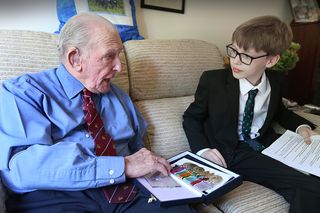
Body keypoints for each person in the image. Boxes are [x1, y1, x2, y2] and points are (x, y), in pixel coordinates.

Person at [0, 13, 197, 213]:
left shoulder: (118, 96)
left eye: (119, 55)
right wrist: (123, 166)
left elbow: (138, 150)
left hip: (126, 189)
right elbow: (24, 167)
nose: (119, 67)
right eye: (109, 56)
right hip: (59, 194)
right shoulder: (23, 92)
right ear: (75, 58)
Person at [183, 15, 320, 213]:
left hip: (267, 142)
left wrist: (303, 127)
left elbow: (280, 111)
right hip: (234, 150)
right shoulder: (213, 81)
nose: (235, 61)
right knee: (309, 188)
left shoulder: (277, 81)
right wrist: (203, 149)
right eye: (234, 51)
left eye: (246, 56)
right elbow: (191, 117)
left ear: (271, 60)